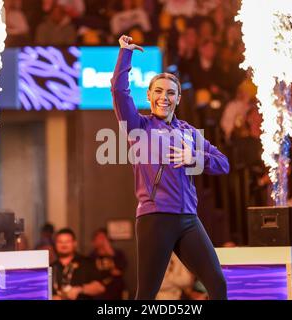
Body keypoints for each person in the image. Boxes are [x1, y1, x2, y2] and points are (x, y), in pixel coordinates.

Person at [110, 35, 229, 300]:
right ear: (149, 96)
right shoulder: (138, 126)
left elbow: (224, 164)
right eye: (159, 91)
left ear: (178, 98)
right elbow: (118, 91)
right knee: (146, 295)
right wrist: (125, 54)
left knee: (218, 284)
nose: (165, 97)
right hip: (155, 219)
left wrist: (196, 157)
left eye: (171, 92)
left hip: (188, 219)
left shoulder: (189, 132)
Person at [51, 228, 105, 300]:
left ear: (74, 243)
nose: (63, 245)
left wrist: (80, 289)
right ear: (55, 244)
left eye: (67, 241)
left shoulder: (86, 263)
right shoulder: (51, 266)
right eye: (60, 242)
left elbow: (100, 287)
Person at [89, 228, 128, 300]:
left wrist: (110, 252)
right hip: (98, 292)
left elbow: (118, 272)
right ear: (94, 241)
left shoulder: (118, 254)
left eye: (104, 238)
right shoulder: (91, 256)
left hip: (116, 290)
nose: (102, 240)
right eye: (99, 238)